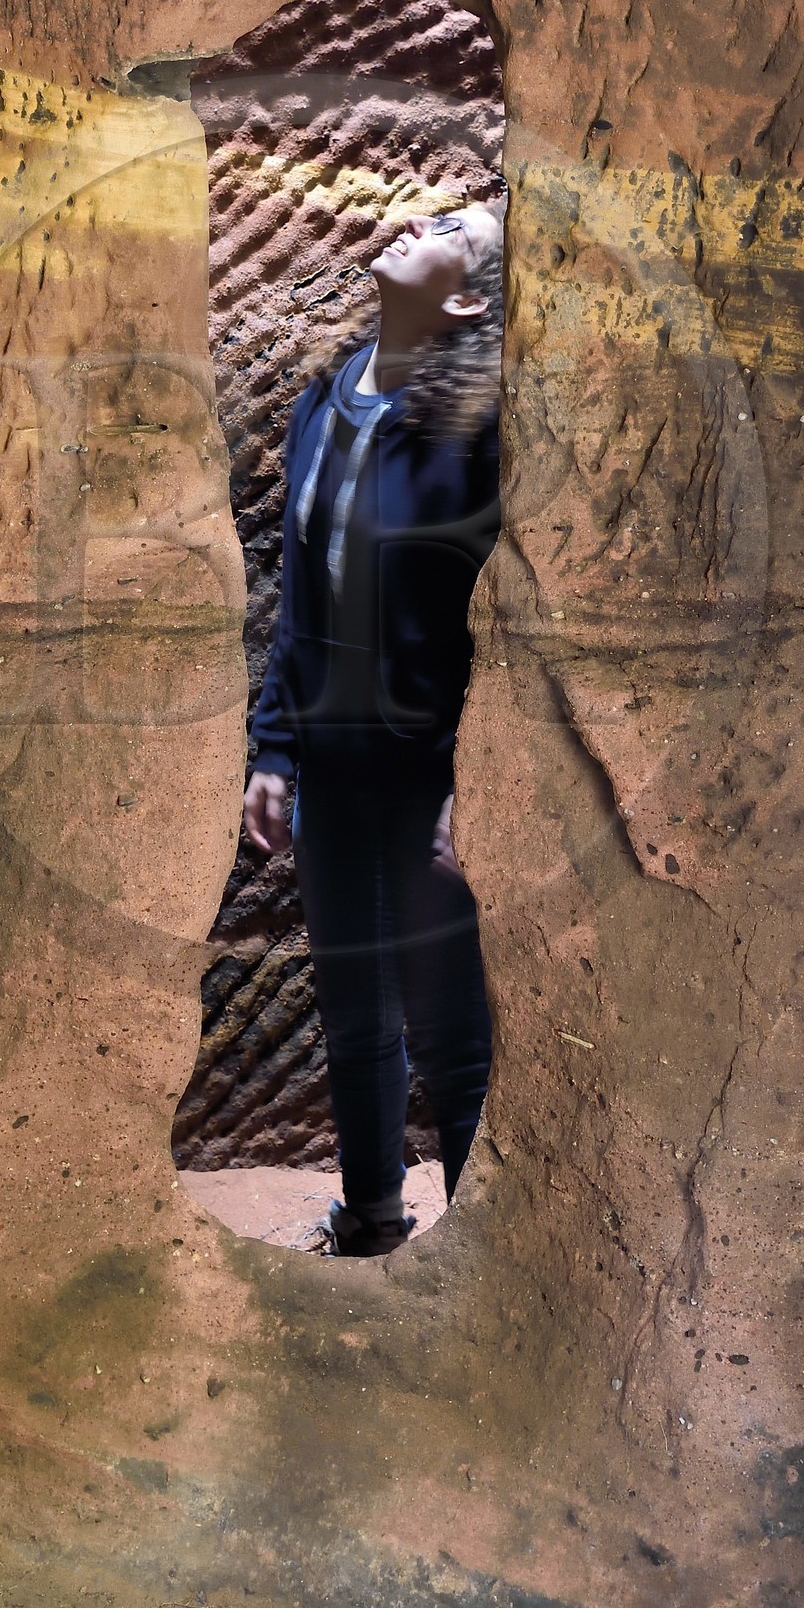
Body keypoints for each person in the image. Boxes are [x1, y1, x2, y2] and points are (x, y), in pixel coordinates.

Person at [243, 199, 504, 1257]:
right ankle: (371, 1220)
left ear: (467, 300)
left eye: (449, 227)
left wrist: (479, 786)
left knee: (450, 1034)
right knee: (354, 1016)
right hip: (332, 766)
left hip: (428, 772)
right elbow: (298, 596)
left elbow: (503, 628)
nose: (413, 219)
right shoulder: (326, 397)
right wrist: (274, 750)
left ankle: (478, 1256)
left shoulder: (478, 432)